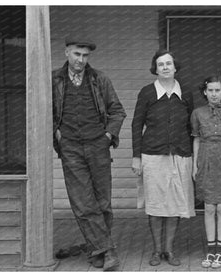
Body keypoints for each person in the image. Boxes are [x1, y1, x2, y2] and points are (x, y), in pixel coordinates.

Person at [52, 35, 126, 271]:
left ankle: (98, 250)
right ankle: (108, 251)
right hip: (71, 147)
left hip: (98, 145)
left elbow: (117, 111)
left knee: (103, 202)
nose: (81, 60)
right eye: (77, 54)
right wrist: (56, 133)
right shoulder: (54, 80)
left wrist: (107, 137)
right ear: (66, 53)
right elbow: (42, 110)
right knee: (83, 203)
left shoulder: (99, 79)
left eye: (85, 56)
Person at [131, 49, 195, 267]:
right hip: (153, 155)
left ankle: (170, 250)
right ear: (155, 69)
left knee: (175, 204)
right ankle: (157, 251)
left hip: (180, 155)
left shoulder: (185, 92)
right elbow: (136, 124)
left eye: (169, 63)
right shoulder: (147, 93)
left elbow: (191, 126)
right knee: (157, 205)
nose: (165, 67)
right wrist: (136, 156)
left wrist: (192, 156)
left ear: (175, 67)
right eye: (161, 64)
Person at [191, 76, 221, 268]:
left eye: (217, 90)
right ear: (205, 92)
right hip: (205, 158)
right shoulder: (197, 113)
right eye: (210, 90)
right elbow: (196, 139)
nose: (214, 94)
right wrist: (195, 164)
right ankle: (210, 250)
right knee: (209, 207)